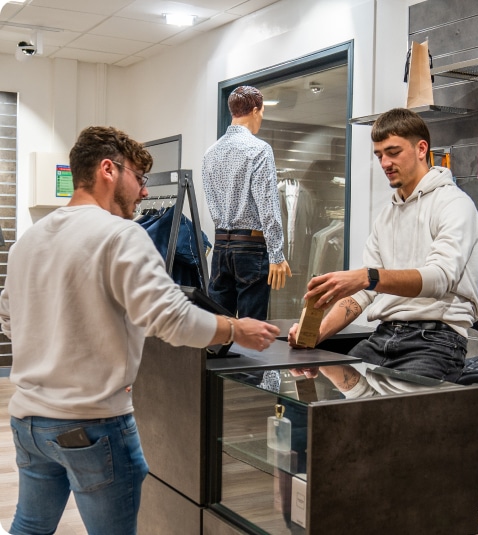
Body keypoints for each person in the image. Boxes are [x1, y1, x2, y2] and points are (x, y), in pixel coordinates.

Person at [0, 126, 280, 535]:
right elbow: (172, 319)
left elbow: (9, 320)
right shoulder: (121, 235)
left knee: (29, 527)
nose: (144, 193)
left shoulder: (28, 241)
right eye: (139, 178)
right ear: (108, 170)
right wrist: (235, 328)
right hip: (93, 425)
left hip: (29, 422)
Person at [289, 107, 478, 382]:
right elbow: (363, 295)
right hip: (383, 337)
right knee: (335, 411)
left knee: (392, 420)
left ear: (421, 149)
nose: (384, 163)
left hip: (435, 341)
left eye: (393, 152)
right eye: (379, 155)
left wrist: (367, 277)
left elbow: (440, 279)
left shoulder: (454, 205)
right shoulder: (386, 216)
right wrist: (317, 334)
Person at [202, 85, 292, 321]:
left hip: (221, 244)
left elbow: (212, 201)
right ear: (255, 110)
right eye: (262, 113)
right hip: (251, 246)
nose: (261, 118)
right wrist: (277, 254)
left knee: (219, 328)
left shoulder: (210, 153)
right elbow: (268, 205)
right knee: (251, 329)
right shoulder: (259, 149)